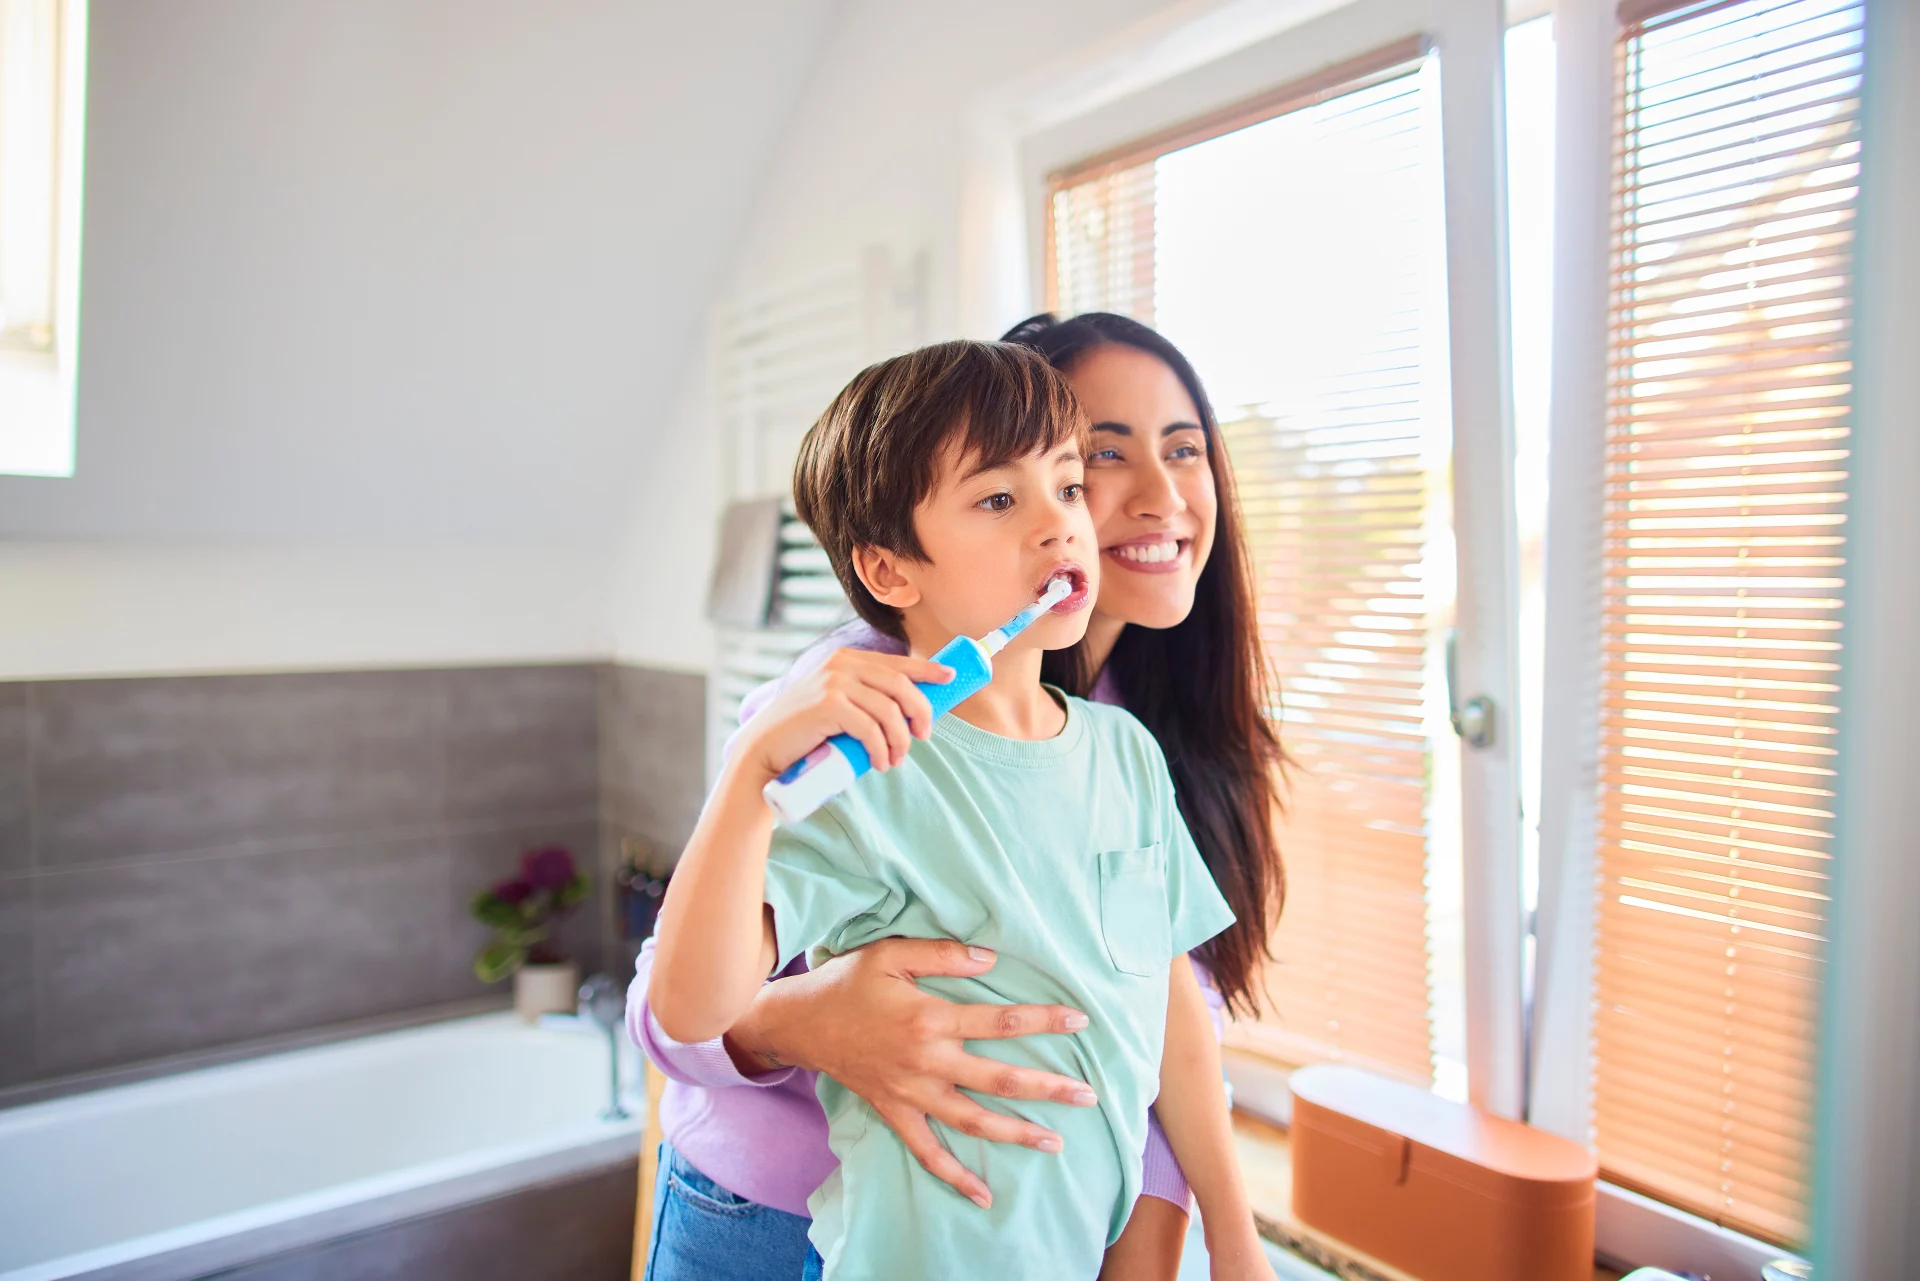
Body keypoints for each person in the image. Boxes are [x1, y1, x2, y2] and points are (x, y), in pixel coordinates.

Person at [630, 313, 1287, 1281]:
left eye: (1067, 478)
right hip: (784, 1217)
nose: (1152, 495)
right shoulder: (858, 733)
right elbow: (677, 1004)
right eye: (1102, 456)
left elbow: (1157, 993)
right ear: (893, 566)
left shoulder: (1124, 742)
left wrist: (1216, 1240)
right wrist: (794, 1010)